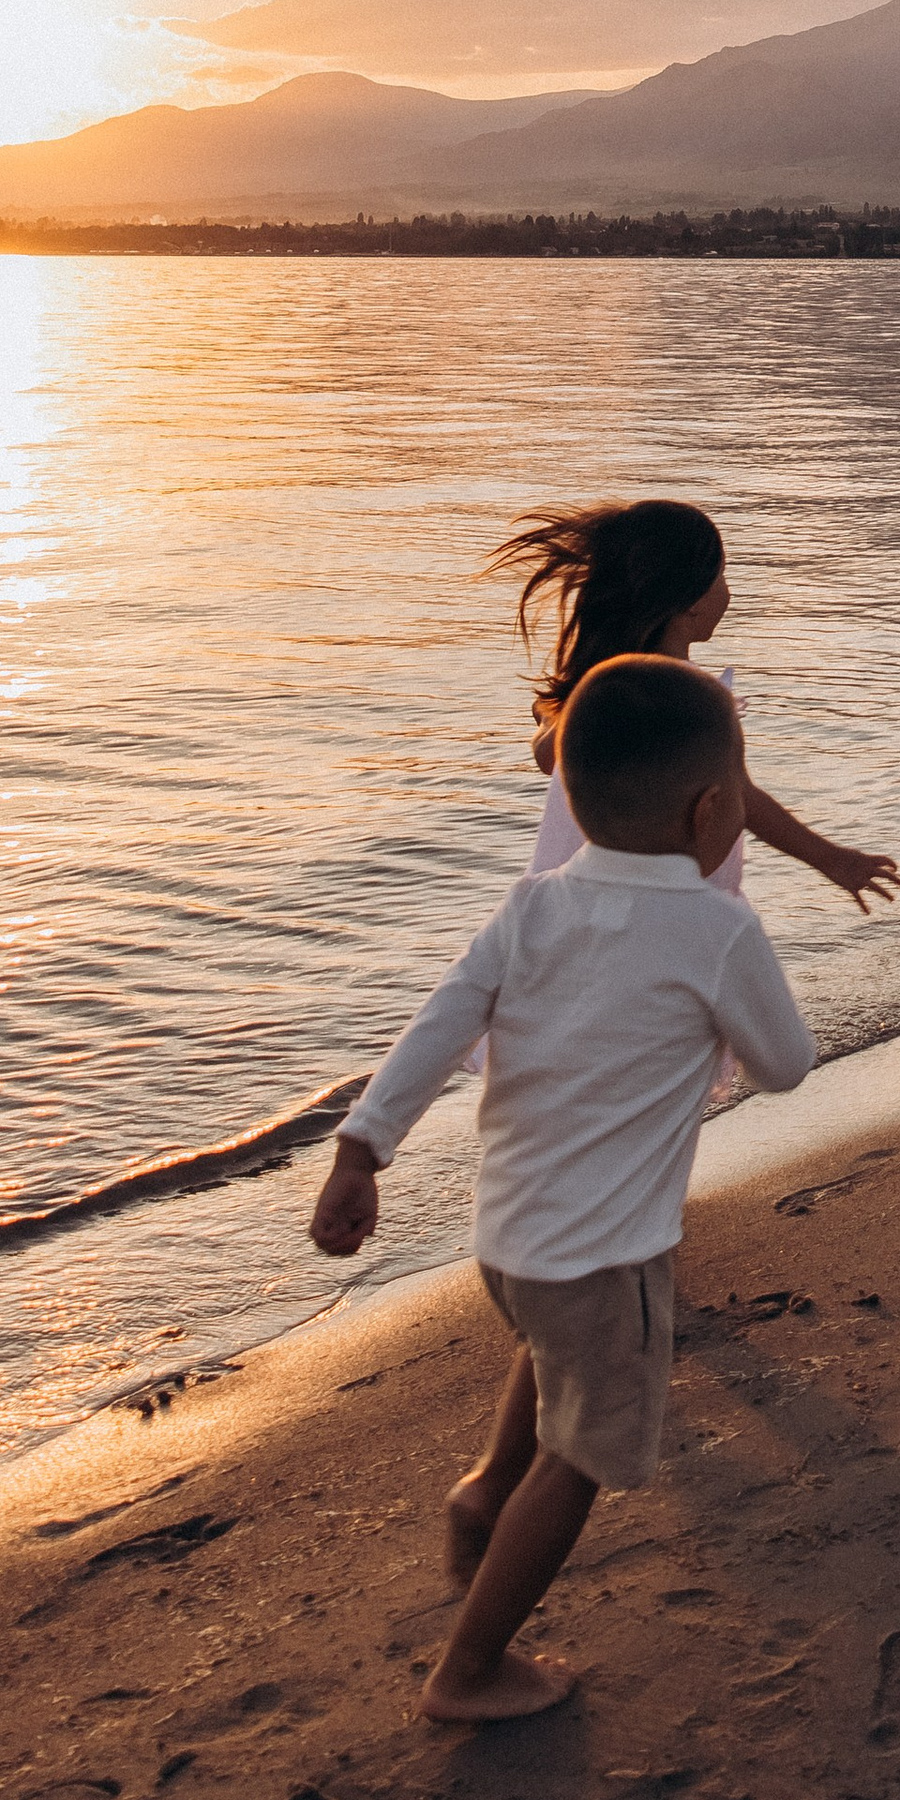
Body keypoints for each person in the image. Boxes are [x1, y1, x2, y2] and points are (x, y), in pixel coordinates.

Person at [308, 656, 816, 1722]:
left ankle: (482, 1493)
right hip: (609, 1259)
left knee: (551, 1354)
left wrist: (362, 1148)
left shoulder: (532, 905)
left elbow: (440, 1026)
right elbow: (784, 1065)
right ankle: (470, 1669)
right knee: (581, 1456)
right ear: (712, 810)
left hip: (508, 1243)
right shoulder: (718, 929)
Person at [492, 499, 900, 910]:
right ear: (689, 599)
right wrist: (832, 859)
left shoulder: (604, 689)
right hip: (667, 906)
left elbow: (548, 755)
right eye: (721, 576)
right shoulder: (693, 700)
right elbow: (741, 794)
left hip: (567, 902)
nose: (728, 590)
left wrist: (552, 712)